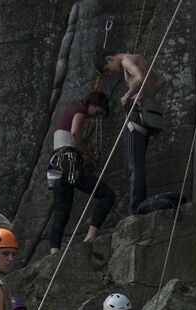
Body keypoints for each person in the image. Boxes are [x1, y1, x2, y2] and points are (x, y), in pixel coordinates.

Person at [95, 49, 165, 214]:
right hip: (149, 113)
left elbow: (139, 78)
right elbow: (161, 80)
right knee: (137, 165)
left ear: (109, 59)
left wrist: (128, 96)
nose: (111, 73)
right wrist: (145, 94)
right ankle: (140, 204)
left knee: (133, 166)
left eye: (108, 70)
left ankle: (136, 208)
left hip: (137, 114)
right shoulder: (140, 58)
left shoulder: (126, 61)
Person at [48, 91, 116, 253]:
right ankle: (90, 236)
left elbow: (70, 138)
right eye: (97, 112)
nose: (95, 117)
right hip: (68, 162)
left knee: (61, 210)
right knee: (107, 195)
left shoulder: (69, 110)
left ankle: (54, 251)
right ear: (92, 105)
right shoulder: (80, 110)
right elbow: (74, 133)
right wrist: (88, 155)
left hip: (55, 166)